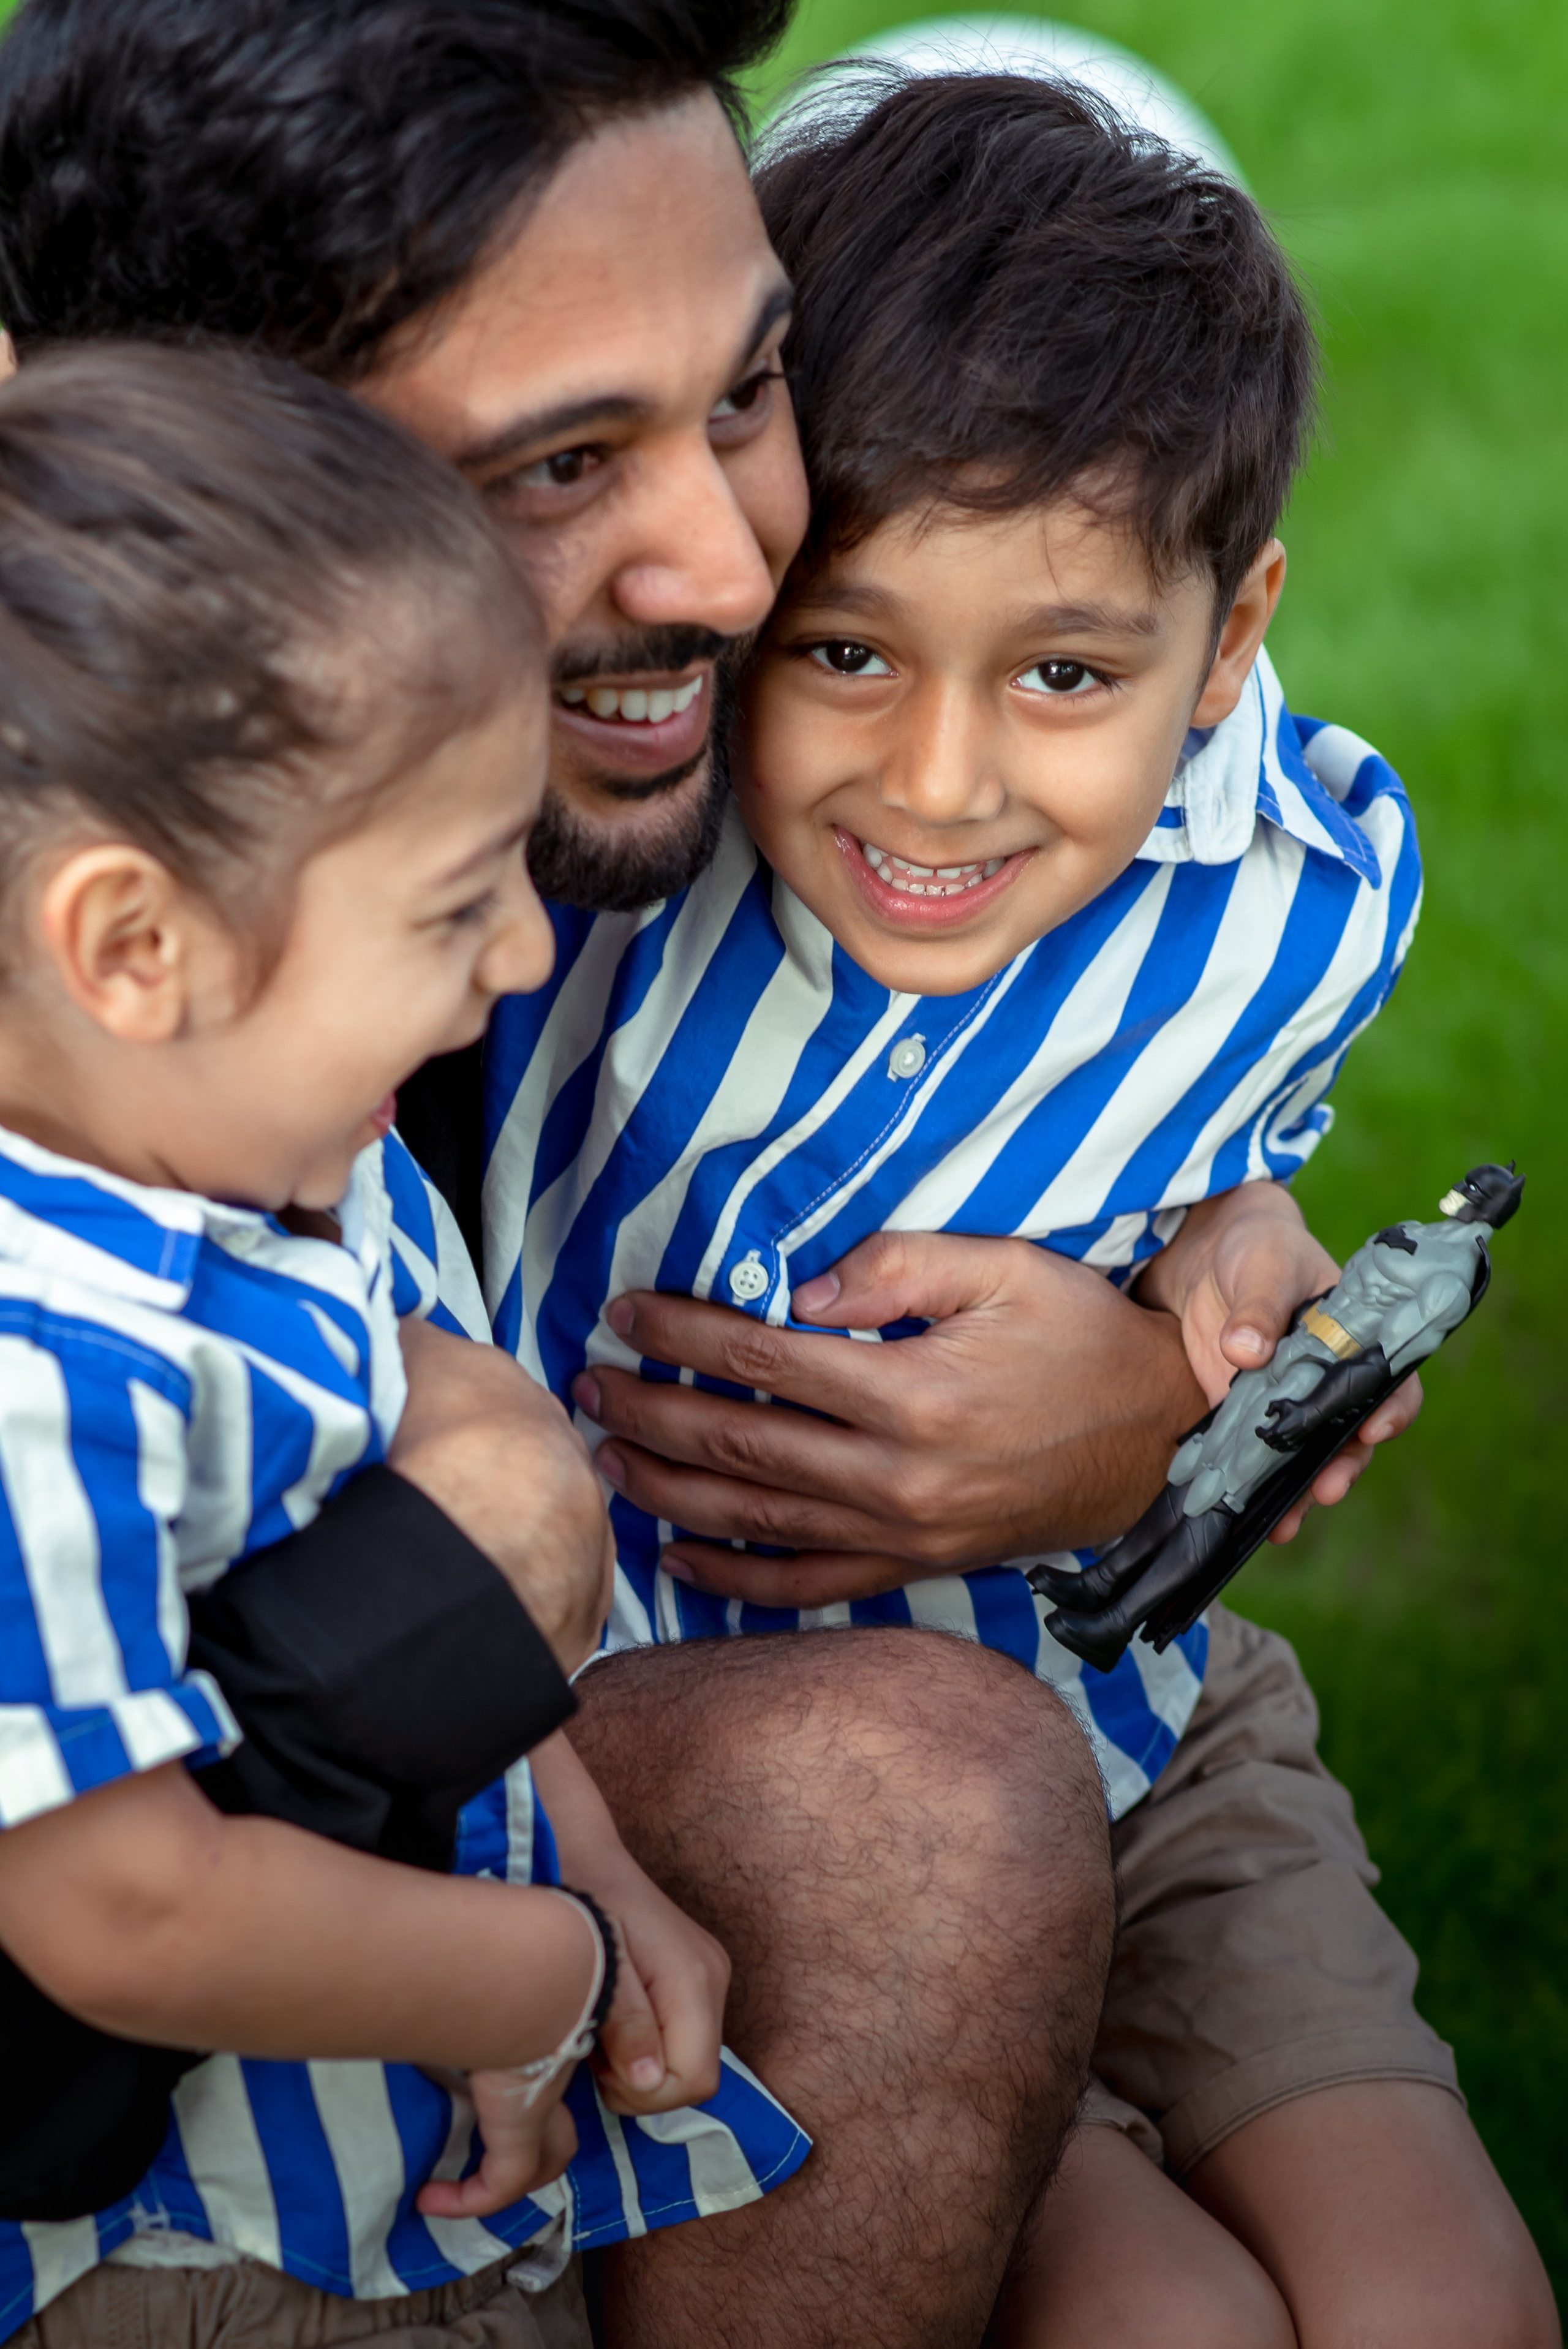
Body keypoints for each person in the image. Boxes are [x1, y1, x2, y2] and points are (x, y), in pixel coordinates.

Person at [0, 7, 1486, 2348]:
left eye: (743, 392)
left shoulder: (645, 806)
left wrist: (1154, 1390)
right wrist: (457, 1644)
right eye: (569, 456)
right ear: (193, 449)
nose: (732, 563)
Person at [486, 67, 1559, 2349]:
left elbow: (1219, 1124)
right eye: (849, 652)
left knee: (1448, 2298)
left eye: (1065, 674)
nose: (941, 781)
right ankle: (1054, 2127)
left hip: (1145, 1707)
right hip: (785, 1782)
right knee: (1160, 2318)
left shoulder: (1299, 879)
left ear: (1236, 633)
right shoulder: (600, 881)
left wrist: (1241, 1241)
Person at [0, 341, 821, 2345]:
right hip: (189, 2278)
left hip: (396, 2209)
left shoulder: (247, 1162)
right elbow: (120, 1907)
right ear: (134, 946)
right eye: (459, 904)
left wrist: (598, 1856)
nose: (524, 955)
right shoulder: (40, 1374)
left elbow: (392, 1520)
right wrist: (527, 1977)